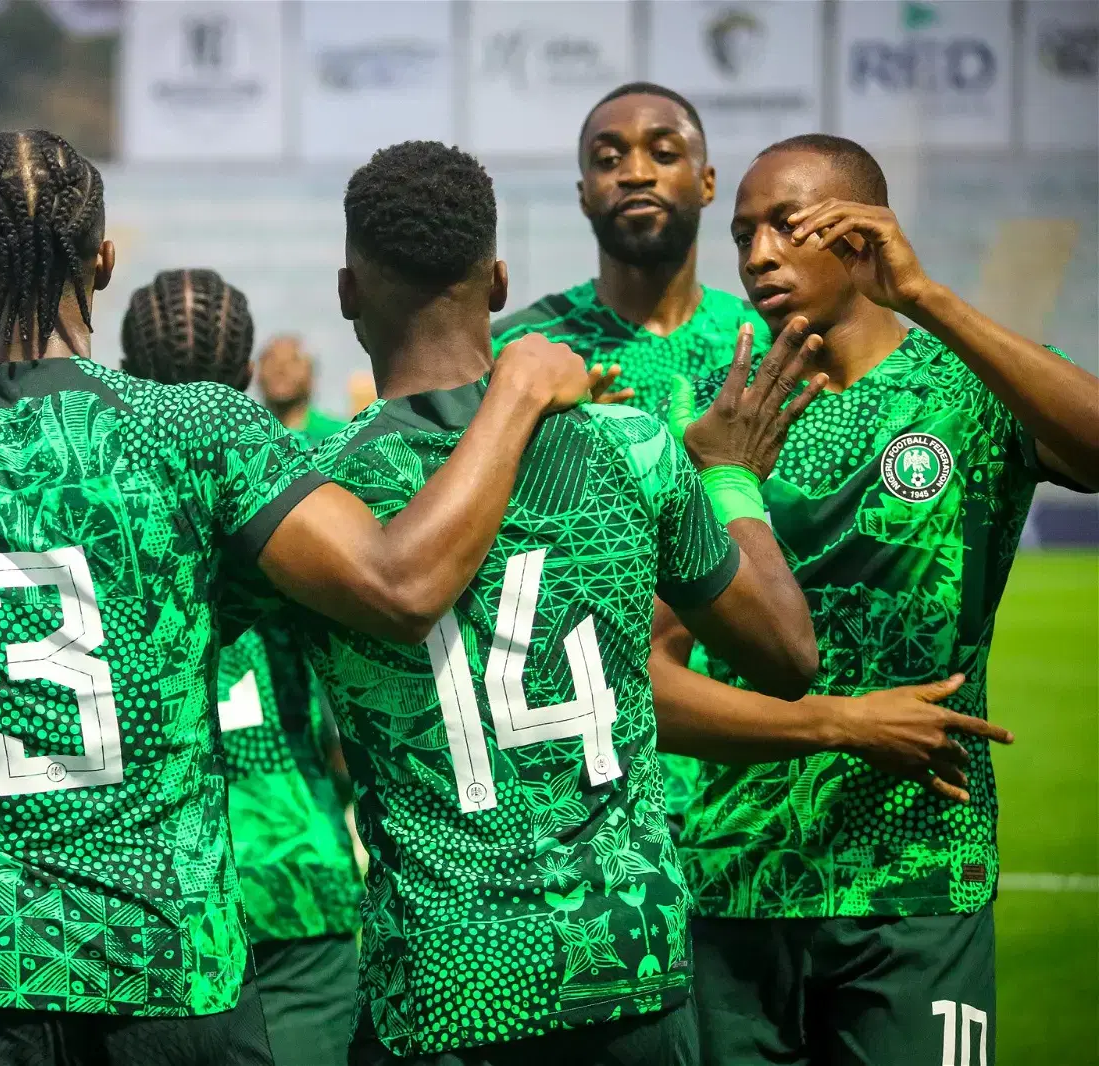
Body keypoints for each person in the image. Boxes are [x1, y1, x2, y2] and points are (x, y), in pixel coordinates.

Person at [0, 128, 598, 1066]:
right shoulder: (196, 428)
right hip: (169, 968)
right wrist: (515, 394)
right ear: (104, 262)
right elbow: (400, 587)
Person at [285, 139, 825, 1066]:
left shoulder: (310, 491)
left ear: (347, 292)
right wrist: (731, 478)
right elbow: (787, 655)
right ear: (497, 284)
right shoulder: (634, 445)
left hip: (442, 981)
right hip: (625, 966)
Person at [654, 133, 1099, 1066]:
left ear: (860, 235)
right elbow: (648, 673)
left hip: (918, 876)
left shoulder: (963, 389)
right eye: (742, 236)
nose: (758, 255)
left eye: (787, 225)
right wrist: (838, 720)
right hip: (736, 883)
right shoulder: (714, 423)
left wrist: (928, 298)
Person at [489, 81, 769, 830]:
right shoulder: (518, 355)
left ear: (707, 182)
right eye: (609, 159)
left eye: (664, 152)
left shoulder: (773, 346)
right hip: (587, 791)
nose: (636, 172)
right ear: (584, 194)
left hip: (755, 794)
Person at [120, 268, 365, 1066]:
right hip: (295, 864)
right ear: (242, 375)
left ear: (126, 369)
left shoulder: (87, 499)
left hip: (146, 885)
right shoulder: (294, 487)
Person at [256, 334, 350, 439]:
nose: (280, 368)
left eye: (293, 361)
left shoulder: (341, 436)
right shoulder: (242, 436)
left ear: (311, 375)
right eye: (271, 360)